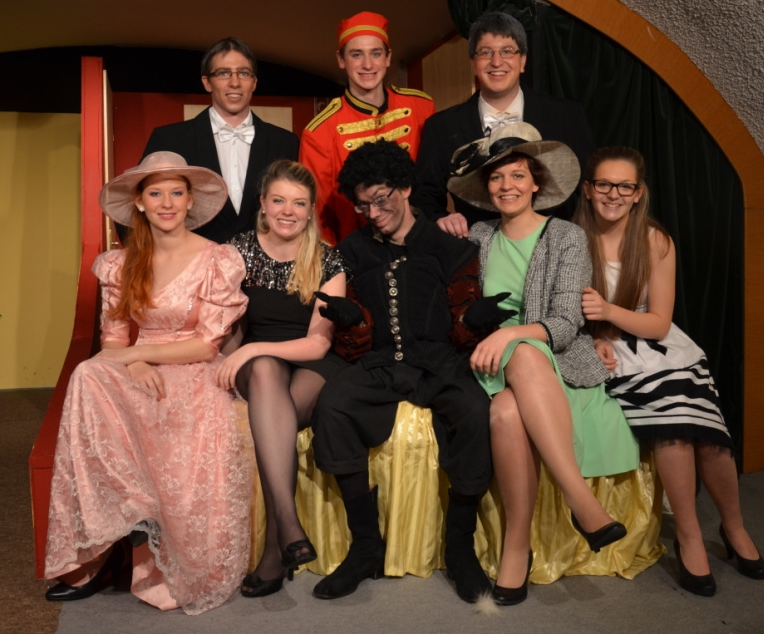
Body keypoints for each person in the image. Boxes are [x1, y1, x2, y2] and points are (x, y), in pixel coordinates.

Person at [44, 151, 252, 614]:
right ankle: (112, 535)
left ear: (190, 200)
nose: (167, 203)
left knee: (128, 389)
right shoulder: (121, 263)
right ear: (139, 202)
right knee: (87, 374)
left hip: (191, 370)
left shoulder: (218, 259)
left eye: (177, 193)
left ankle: (147, 532)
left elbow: (206, 346)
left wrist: (138, 354)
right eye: (156, 193)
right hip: (138, 368)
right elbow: (113, 338)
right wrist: (132, 361)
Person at [447, 123, 639, 606]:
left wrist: (512, 332)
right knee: (509, 389)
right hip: (488, 358)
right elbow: (453, 300)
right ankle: (575, 506)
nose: (506, 185)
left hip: (551, 354)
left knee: (509, 405)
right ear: (486, 189)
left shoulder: (567, 236)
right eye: (496, 178)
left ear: (537, 183)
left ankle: (522, 542)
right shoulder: (477, 236)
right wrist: (442, 226)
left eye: (517, 175)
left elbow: (567, 321)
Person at [572, 145, 764, 597]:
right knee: (675, 432)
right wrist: (595, 336)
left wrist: (608, 310)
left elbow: (659, 323)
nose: (614, 194)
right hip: (614, 355)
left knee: (710, 435)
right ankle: (689, 535)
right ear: (587, 189)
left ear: (639, 193)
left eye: (625, 186)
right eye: (604, 184)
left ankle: (735, 527)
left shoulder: (655, 240)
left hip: (659, 346)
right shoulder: (570, 238)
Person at [308, 140, 497, 603]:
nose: (373, 213)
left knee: (475, 411)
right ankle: (365, 547)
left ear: (406, 189)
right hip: (379, 364)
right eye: (363, 204)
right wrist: (353, 321)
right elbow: (354, 342)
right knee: (333, 406)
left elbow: (461, 334)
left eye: (381, 199)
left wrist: (473, 321)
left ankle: (460, 548)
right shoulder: (353, 250)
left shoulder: (450, 247)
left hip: (439, 362)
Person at [217, 160, 348, 598]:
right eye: (278, 200)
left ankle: (277, 550)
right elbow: (227, 326)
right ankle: (289, 528)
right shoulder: (237, 251)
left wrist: (253, 349)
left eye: (298, 203)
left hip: (310, 363)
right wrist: (236, 358)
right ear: (262, 203)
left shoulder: (329, 259)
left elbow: (318, 344)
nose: (287, 211)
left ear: (311, 211)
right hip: (258, 370)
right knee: (265, 372)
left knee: (275, 410)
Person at [414, 10, 596, 237]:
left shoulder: (566, 116)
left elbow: (590, 187)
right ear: (473, 63)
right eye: (486, 52)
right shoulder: (442, 127)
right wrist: (441, 219)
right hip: (474, 248)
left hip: (555, 248)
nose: (496, 61)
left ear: (523, 60)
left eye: (507, 51)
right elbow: (423, 197)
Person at [141, 37, 299, 244]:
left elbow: (300, 209)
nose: (235, 82)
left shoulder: (286, 143)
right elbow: (136, 210)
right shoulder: (169, 140)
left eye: (244, 73)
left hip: (270, 261)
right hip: (192, 262)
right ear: (207, 82)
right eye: (223, 73)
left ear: (254, 82)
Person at [300, 11, 435, 244]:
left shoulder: (421, 107)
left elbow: (433, 185)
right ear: (341, 60)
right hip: (358, 251)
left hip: (421, 242)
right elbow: (318, 215)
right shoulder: (319, 132)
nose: (368, 64)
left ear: (388, 57)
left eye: (376, 53)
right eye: (356, 54)